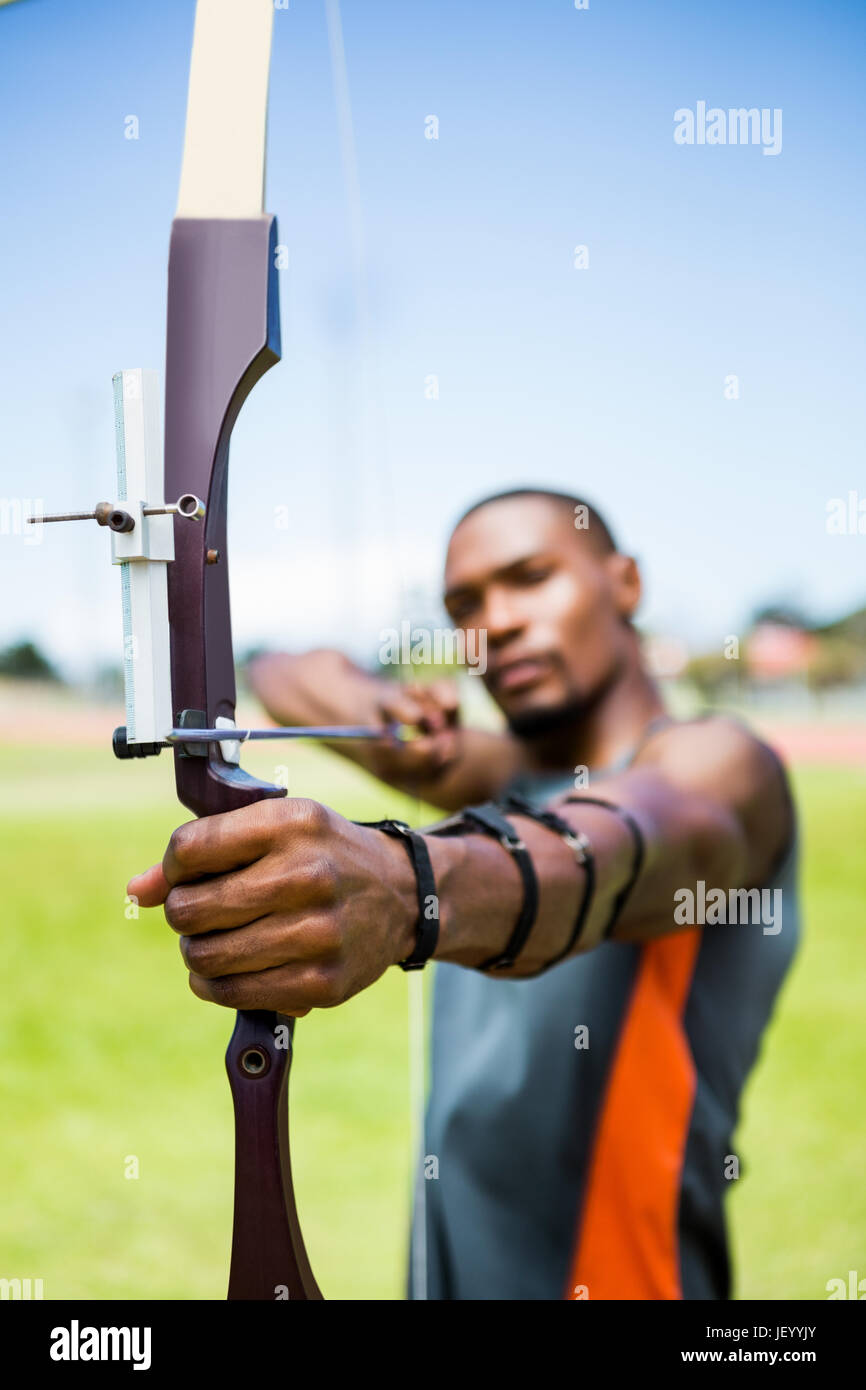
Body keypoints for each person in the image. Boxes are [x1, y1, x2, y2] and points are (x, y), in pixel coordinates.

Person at [128, 488, 799, 1300]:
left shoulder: (722, 767)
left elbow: (605, 848)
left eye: (531, 577)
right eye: (464, 605)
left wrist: (406, 883)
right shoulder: (492, 771)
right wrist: (380, 709)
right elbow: (281, 670)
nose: (497, 622)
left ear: (624, 583)